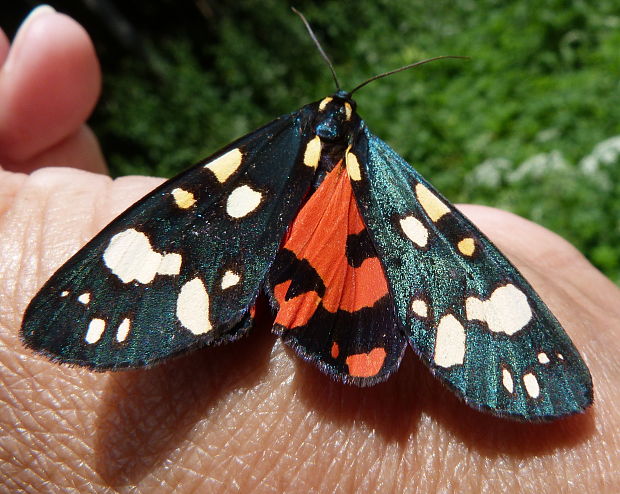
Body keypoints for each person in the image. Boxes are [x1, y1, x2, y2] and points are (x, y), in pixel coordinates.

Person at [0, 6, 618, 492]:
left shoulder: (264, 155)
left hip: (304, 250)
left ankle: (246, 297)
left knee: (196, 208)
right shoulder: (379, 173)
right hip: (336, 280)